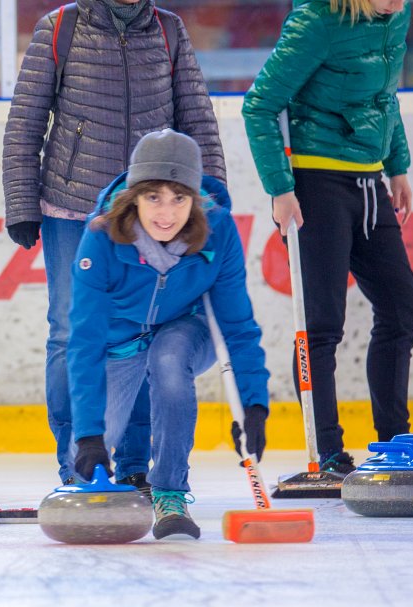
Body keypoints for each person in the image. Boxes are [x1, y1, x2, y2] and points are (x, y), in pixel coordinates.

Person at [2, 0, 227, 488]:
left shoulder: (168, 30)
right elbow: (25, 123)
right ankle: (78, 465)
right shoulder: (60, 28)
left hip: (152, 213)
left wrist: (211, 205)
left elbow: (198, 123)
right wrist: (21, 201)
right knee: (70, 331)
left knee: (146, 331)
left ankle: (132, 466)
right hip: (74, 208)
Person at [241, 0, 413, 475]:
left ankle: (394, 444)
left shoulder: (395, 15)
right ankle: (327, 453)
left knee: (401, 308)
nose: (396, 2)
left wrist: (397, 165)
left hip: (369, 180)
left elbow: (385, 96)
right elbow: (259, 104)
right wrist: (281, 189)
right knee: (321, 324)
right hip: (315, 183)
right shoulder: (318, 19)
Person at [68, 129, 270, 539]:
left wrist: (254, 405)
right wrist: (89, 436)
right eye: (153, 197)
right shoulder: (101, 238)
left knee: (169, 360)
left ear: (194, 198)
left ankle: (169, 492)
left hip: (186, 328)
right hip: (120, 339)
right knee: (88, 454)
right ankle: (87, 474)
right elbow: (85, 340)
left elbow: (237, 326)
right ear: (134, 197)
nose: (167, 213)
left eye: (179, 198)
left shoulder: (217, 230)